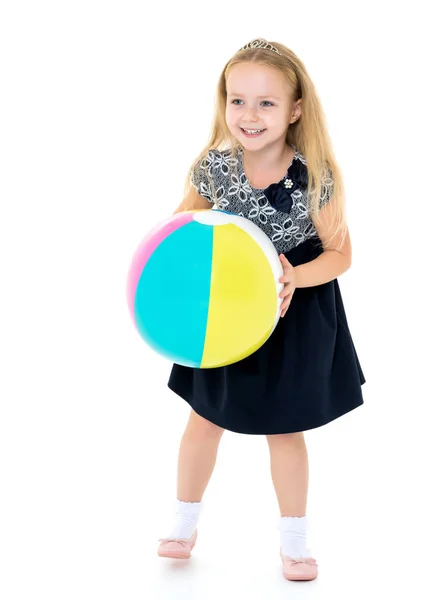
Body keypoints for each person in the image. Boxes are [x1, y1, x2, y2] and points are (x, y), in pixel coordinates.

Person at [157, 38, 365, 582]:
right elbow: (182, 233)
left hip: (291, 313)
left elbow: (341, 254)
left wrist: (294, 273)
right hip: (224, 314)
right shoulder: (213, 169)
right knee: (203, 421)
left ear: (295, 109)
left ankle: (294, 543)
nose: (249, 115)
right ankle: (183, 524)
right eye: (238, 100)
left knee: (285, 430)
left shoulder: (316, 175)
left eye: (267, 103)